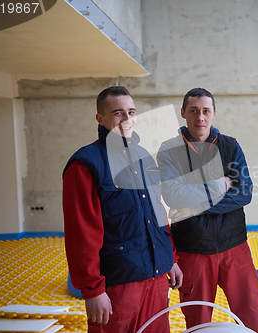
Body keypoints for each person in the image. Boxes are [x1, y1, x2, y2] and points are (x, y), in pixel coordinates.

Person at [62, 86, 183, 333]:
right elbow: (81, 234)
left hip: (156, 278)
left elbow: (157, 212)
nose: (127, 119)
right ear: (100, 118)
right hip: (118, 284)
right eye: (118, 113)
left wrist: (169, 258)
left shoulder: (143, 157)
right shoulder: (85, 164)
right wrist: (93, 290)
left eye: (131, 112)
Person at [157, 88, 258, 333]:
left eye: (206, 111)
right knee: (198, 324)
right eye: (194, 111)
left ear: (214, 114)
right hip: (193, 252)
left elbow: (244, 193)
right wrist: (220, 187)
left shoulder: (230, 146)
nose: (200, 117)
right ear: (183, 113)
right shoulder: (169, 150)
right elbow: (173, 196)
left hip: (235, 247)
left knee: (256, 318)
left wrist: (194, 204)